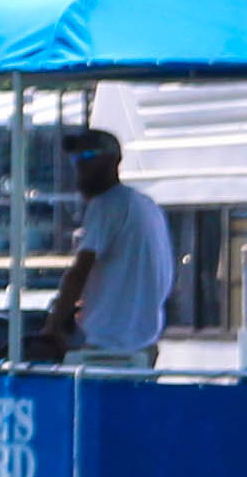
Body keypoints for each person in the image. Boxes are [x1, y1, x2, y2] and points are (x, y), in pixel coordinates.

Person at [33, 128, 170, 367]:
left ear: (113, 161)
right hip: (143, 348)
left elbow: (79, 273)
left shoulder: (107, 204)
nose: (79, 166)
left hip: (107, 349)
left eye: (87, 157)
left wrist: (52, 328)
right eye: (76, 158)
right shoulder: (148, 206)